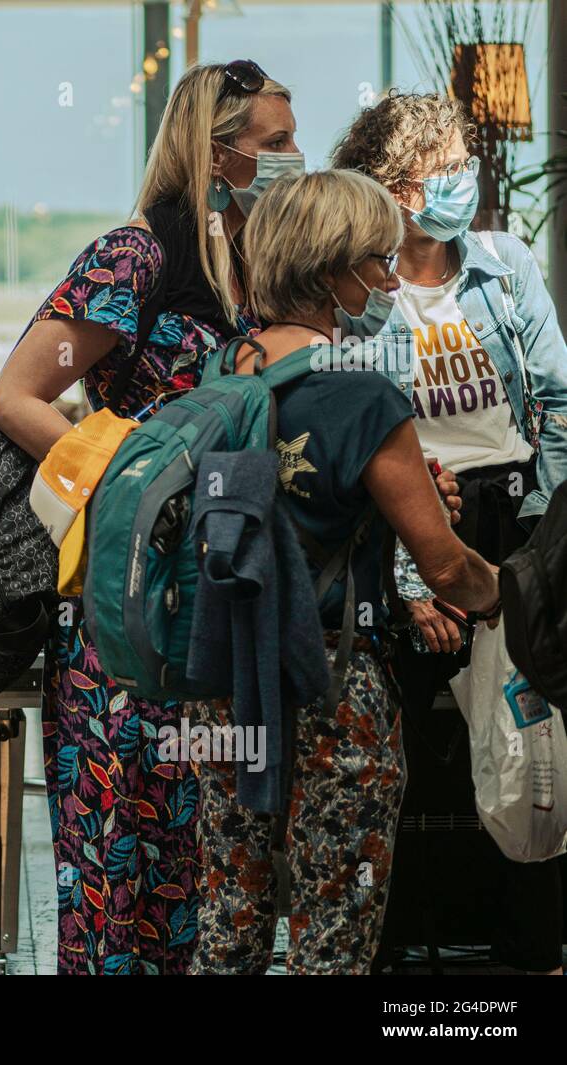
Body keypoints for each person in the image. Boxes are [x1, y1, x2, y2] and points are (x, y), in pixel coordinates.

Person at [0, 60, 301, 974]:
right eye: (273, 143)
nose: (292, 157)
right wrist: (137, 482)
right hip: (126, 616)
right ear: (216, 151)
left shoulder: (256, 267)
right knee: (118, 877)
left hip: (219, 616)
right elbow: (17, 394)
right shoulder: (135, 258)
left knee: (212, 879)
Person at [188, 169, 501, 974]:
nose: (391, 281)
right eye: (377, 262)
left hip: (225, 682)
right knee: (334, 931)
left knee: (231, 915)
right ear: (332, 272)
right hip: (333, 684)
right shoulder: (363, 397)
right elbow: (445, 567)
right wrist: (513, 595)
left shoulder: (223, 372)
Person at [333, 91, 567, 975]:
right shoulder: (363, 291)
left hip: (515, 517)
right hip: (414, 515)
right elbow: (361, 444)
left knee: (532, 732)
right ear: (392, 186)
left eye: (466, 157)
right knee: (398, 749)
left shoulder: (504, 266)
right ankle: (392, 959)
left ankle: (535, 953)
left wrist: (544, 539)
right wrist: (405, 573)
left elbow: (557, 400)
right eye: (446, 164)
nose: (464, 177)